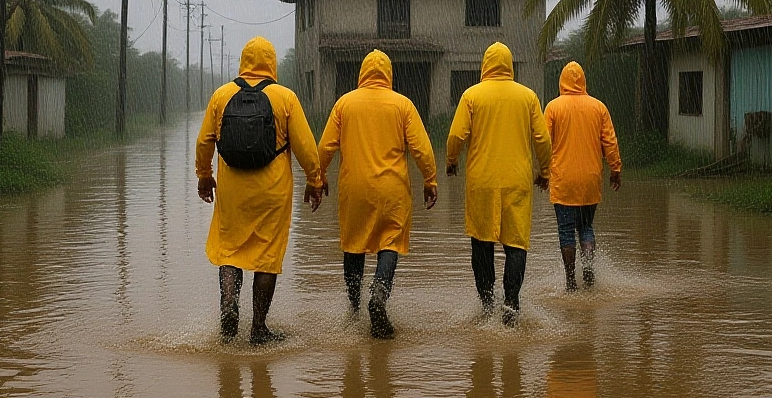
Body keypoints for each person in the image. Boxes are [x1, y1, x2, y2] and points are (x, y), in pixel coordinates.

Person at [196, 36, 323, 346]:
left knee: (230, 249)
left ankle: (229, 302)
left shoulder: (222, 95)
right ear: (271, 63)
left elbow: (204, 141)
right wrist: (315, 180)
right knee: (266, 257)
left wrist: (204, 175)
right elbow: (306, 146)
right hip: (272, 190)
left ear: (243, 61)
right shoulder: (285, 97)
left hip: (232, 189)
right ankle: (259, 328)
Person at [318, 49, 438, 339]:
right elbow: (421, 148)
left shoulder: (344, 104)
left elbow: (325, 147)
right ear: (388, 74)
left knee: (353, 244)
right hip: (392, 189)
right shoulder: (403, 105)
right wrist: (430, 180)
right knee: (391, 241)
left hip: (354, 189)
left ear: (362, 73)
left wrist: (317, 177)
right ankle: (379, 293)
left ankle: (354, 309)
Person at [446, 42, 551, 326]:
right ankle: (511, 304)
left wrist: (452, 160)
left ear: (485, 65)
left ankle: (487, 304)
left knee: (482, 243)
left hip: (482, 181)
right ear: (509, 65)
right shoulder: (528, 97)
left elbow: (456, 135)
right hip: (517, 182)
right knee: (516, 244)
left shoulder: (472, 95)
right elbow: (542, 140)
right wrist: (545, 171)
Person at [543, 61, 621, 290]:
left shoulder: (553, 107)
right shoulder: (599, 107)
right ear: (583, 81)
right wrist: (615, 169)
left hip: (563, 180)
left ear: (562, 81)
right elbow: (610, 141)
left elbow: (544, 144)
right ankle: (588, 270)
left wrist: (542, 173)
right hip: (590, 179)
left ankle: (570, 281)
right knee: (586, 227)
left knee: (566, 231)